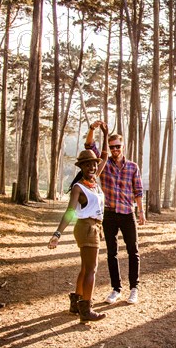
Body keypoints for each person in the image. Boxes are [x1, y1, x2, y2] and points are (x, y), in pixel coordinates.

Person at [48, 123, 109, 323]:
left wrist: (106, 134)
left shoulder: (94, 180)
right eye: (87, 165)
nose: (92, 167)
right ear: (81, 168)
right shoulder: (79, 187)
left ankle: (76, 303)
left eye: (93, 164)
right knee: (92, 269)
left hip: (93, 228)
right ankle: (86, 309)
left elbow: (105, 156)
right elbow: (70, 212)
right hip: (86, 228)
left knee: (85, 268)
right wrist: (57, 234)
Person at [85, 120, 145, 305]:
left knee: (133, 251)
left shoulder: (133, 167)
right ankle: (116, 289)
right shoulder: (103, 163)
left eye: (118, 146)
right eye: (112, 147)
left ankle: (134, 288)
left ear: (123, 146)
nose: (115, 150)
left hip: (128, 214)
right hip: (109, 214)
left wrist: (141, 211)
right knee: (112, 252)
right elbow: (89, 146)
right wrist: (92, 129)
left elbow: (138, 191)